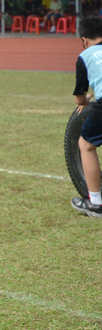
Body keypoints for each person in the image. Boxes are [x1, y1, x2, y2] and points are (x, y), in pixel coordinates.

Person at [71, 17, 102, 217]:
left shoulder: (85, 55)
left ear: (84, 39)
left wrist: (85, 100)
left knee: (86, 145)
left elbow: (79, 98)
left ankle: (95, 203)